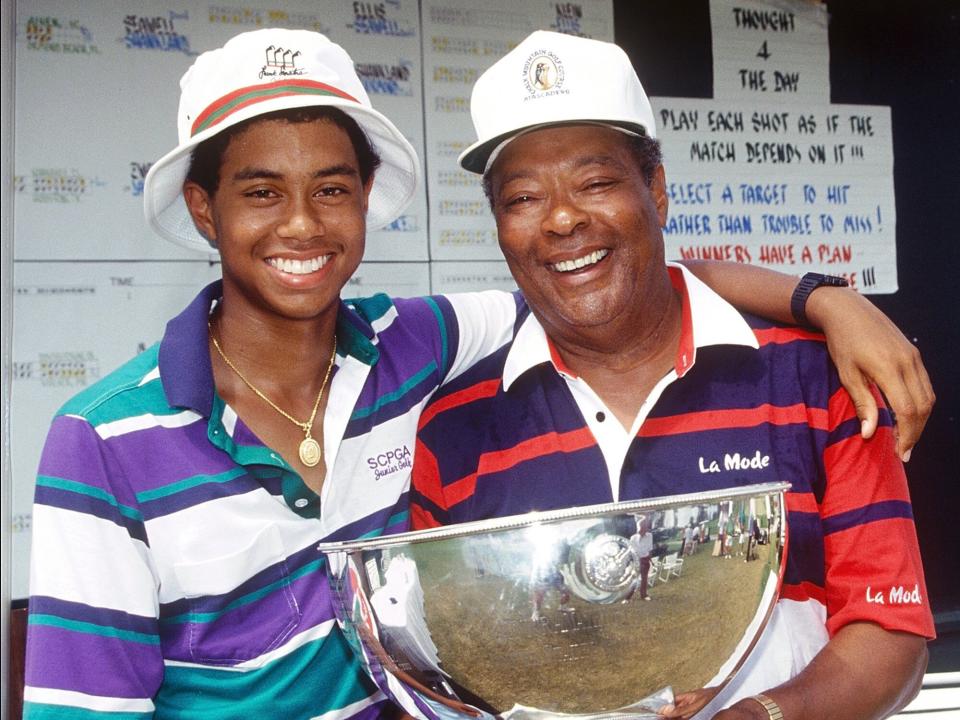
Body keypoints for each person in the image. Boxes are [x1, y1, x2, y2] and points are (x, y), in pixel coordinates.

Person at [22, 27, 930, 720]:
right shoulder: (102, 441)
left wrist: (822, 298)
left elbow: (615, 283)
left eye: (332, 189)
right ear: (204, 209)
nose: (301, 224)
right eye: (261, 191)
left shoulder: (413, 349)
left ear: (657, 188)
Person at [411, 30, 934, 720]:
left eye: (596, 183)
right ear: (499, 227)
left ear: (655, 190)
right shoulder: (455, 428)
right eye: (523, 199)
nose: (563, 218)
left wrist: (764, 715)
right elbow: (441, 664)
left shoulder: (818, 377)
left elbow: (891, 628)